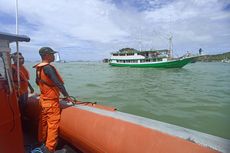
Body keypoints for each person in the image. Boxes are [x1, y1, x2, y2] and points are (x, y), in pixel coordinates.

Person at [33, 47, 70, 153]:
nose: (53, 56)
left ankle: (42, 142)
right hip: (51, 102)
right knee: (53, 125)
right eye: (52, 54)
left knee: (43, 123)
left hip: (43, 100)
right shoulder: (48, 68)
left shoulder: (39, 68)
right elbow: (58, 83)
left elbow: (37, 82)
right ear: (46, 55)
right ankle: (50, 149)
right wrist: (67, 96)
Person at [11, 52, 34, 117]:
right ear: (14, 59)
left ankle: (23, 116)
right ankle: (20, 117)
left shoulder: (22, 67)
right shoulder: (12, 68)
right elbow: (9, 80)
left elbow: (25, 79)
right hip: (18, 91)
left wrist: (31, 87)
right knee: (19, 105)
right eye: (20, 58)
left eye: (23, 58)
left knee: (24, 104)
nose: (22, 60)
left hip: (25, 90)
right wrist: (16, 88)